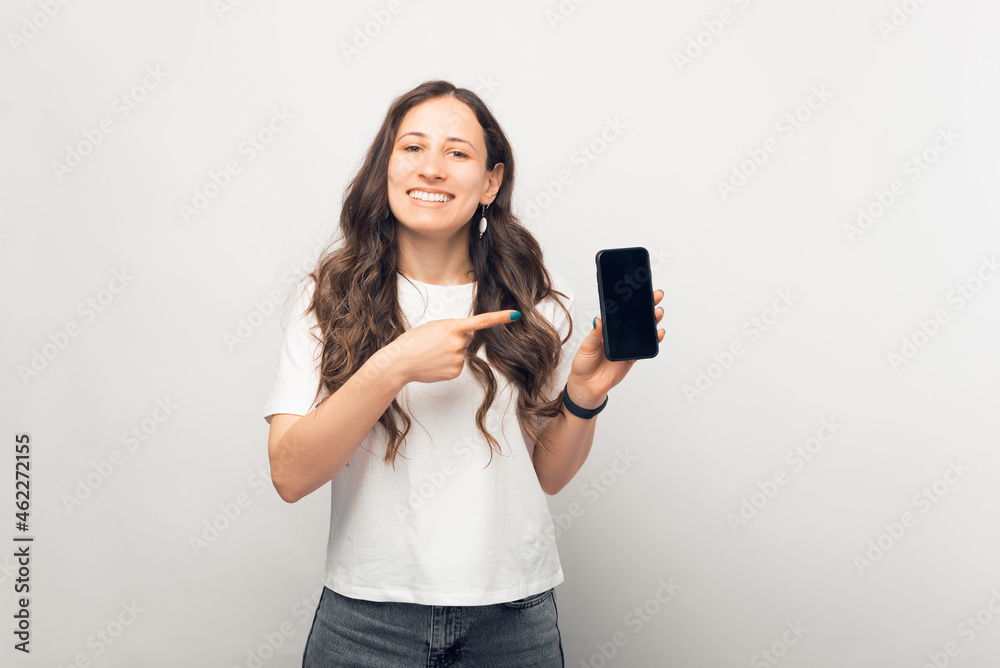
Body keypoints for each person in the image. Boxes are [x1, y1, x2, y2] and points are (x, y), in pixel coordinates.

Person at [262, 79, 665, 667]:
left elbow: (549, 475)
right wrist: (395, 364)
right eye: (412, 148)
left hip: (513, 618)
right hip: (368, 619)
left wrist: (582, 398)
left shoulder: (539, 303)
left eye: (457, 152)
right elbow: (290, 474)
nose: (432, 169)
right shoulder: (326, 299)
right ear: (386, 167)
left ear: (490, 182)